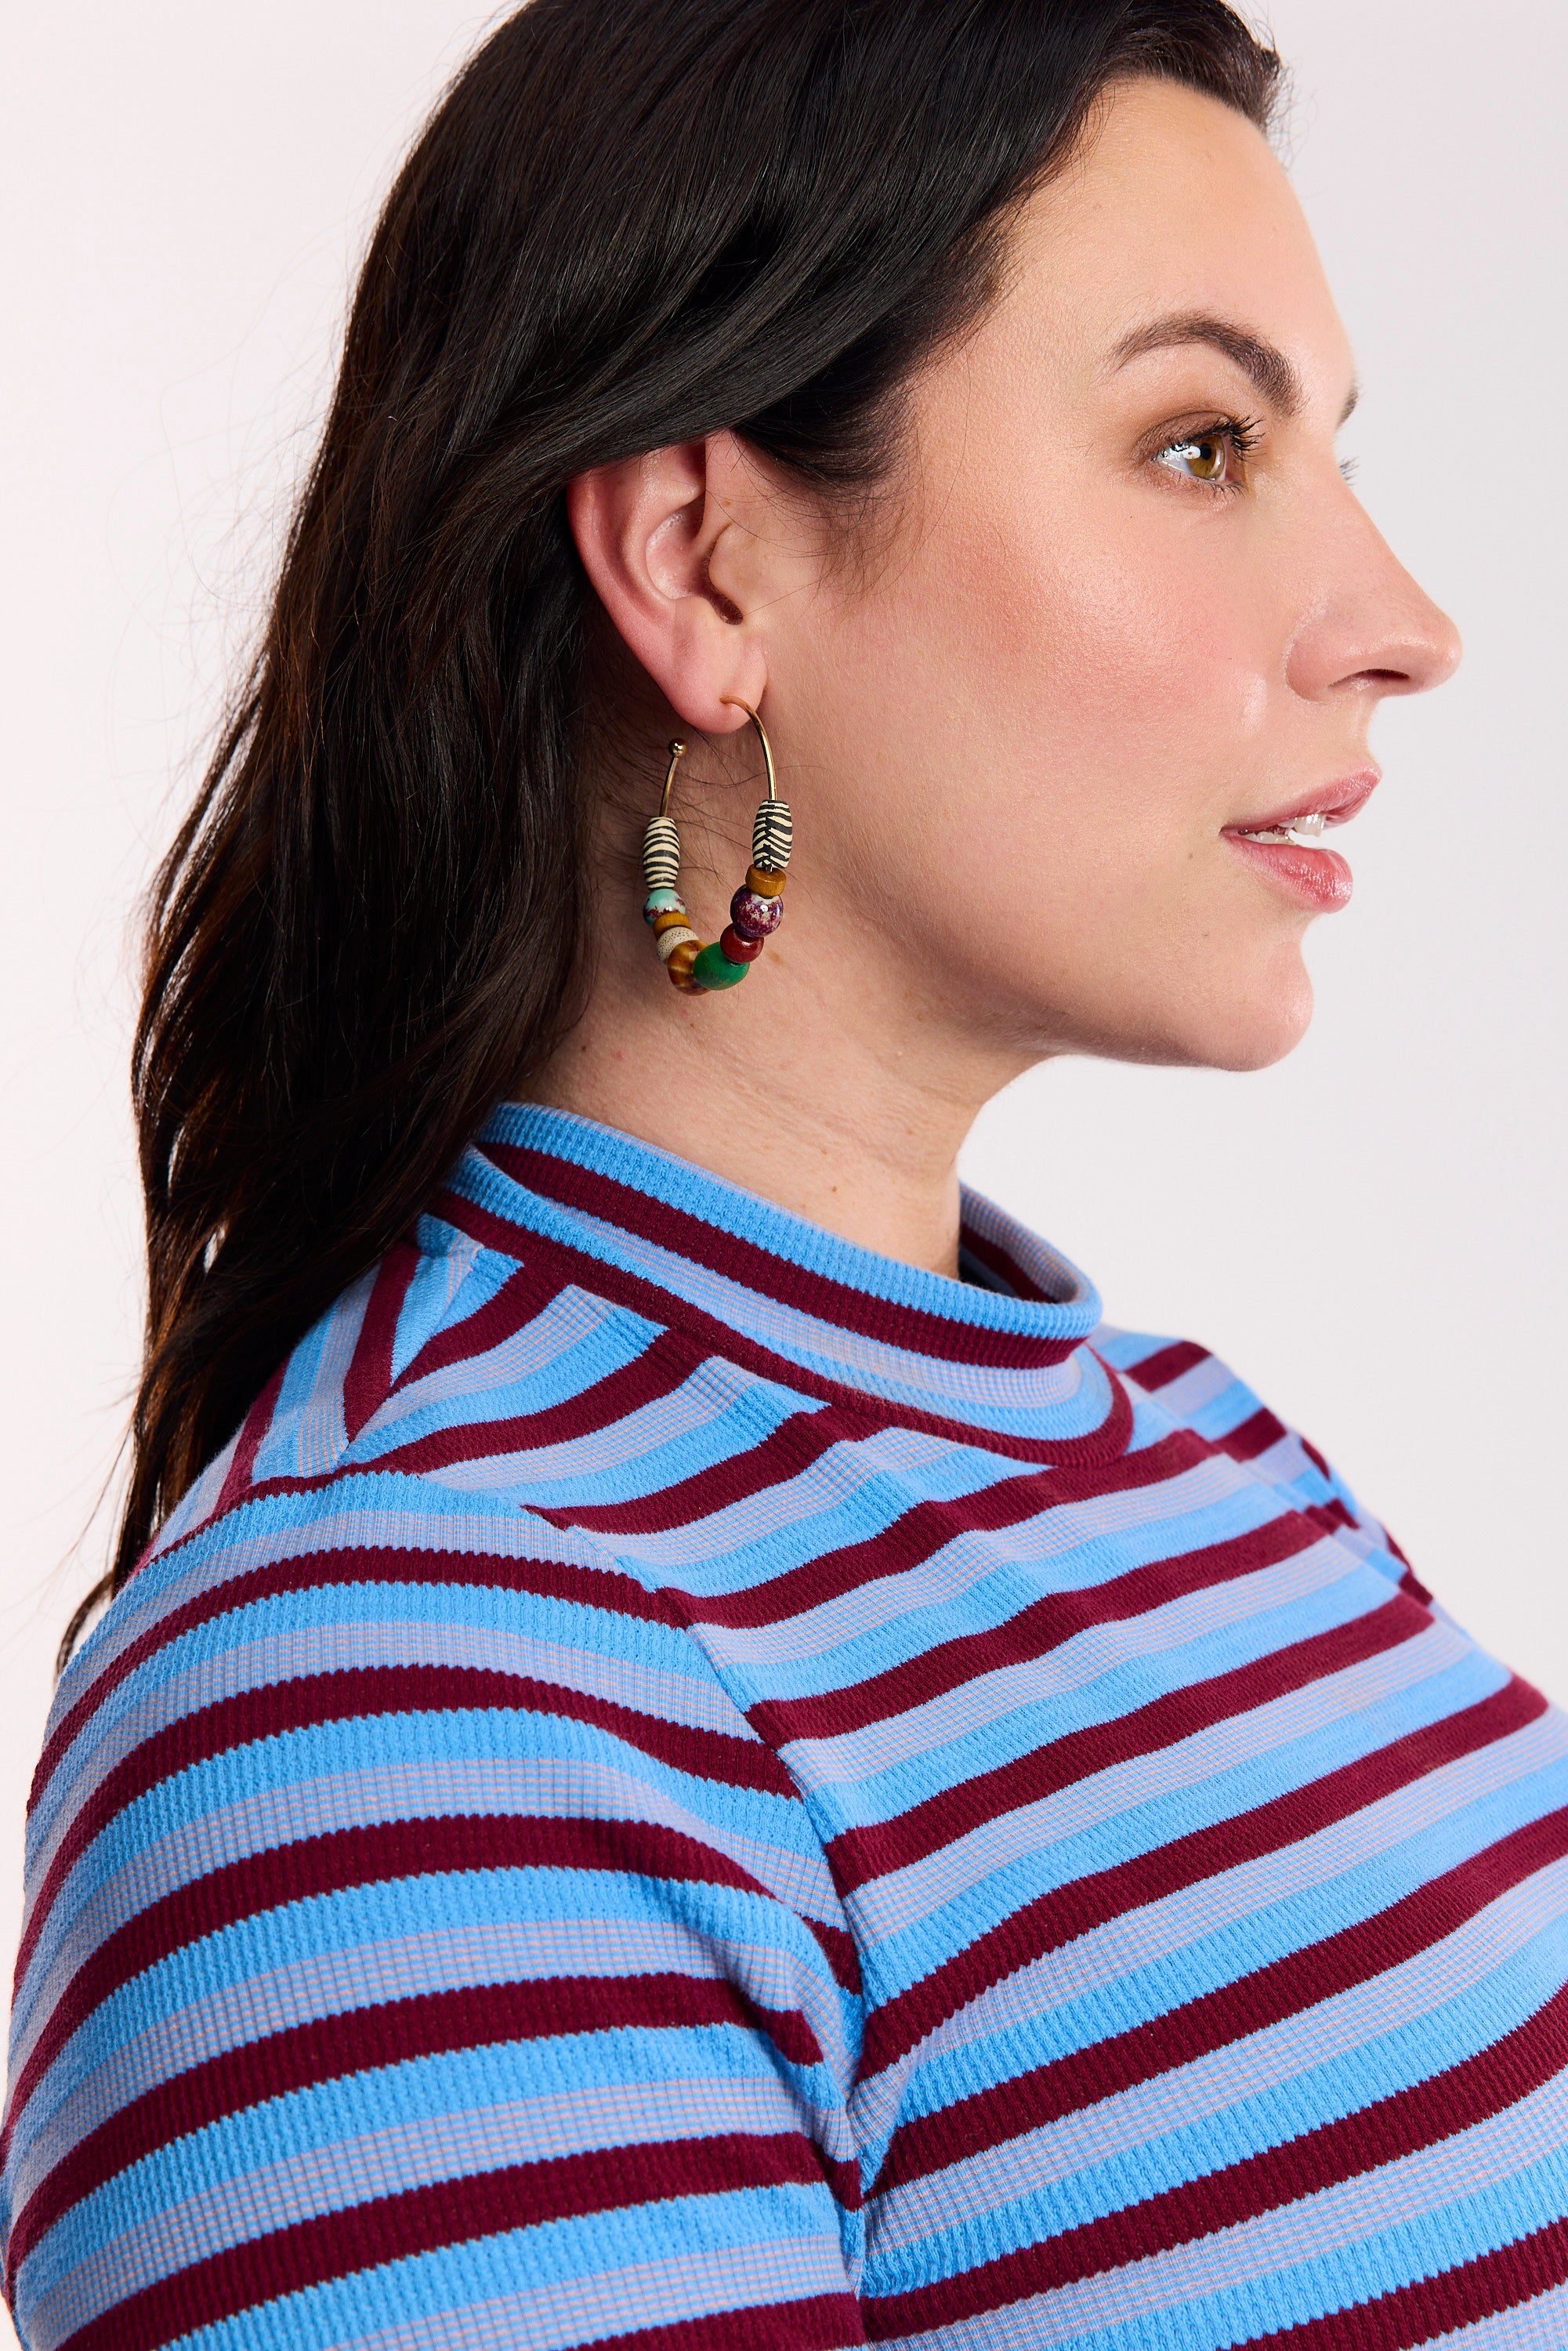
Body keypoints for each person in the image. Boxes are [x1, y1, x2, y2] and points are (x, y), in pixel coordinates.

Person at [6, 1, 1566, 2344]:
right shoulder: (395, 1693)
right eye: (1198, 443)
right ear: (704, 567)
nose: (1401, 628)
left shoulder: (1209, 1460)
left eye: (1325, 452)